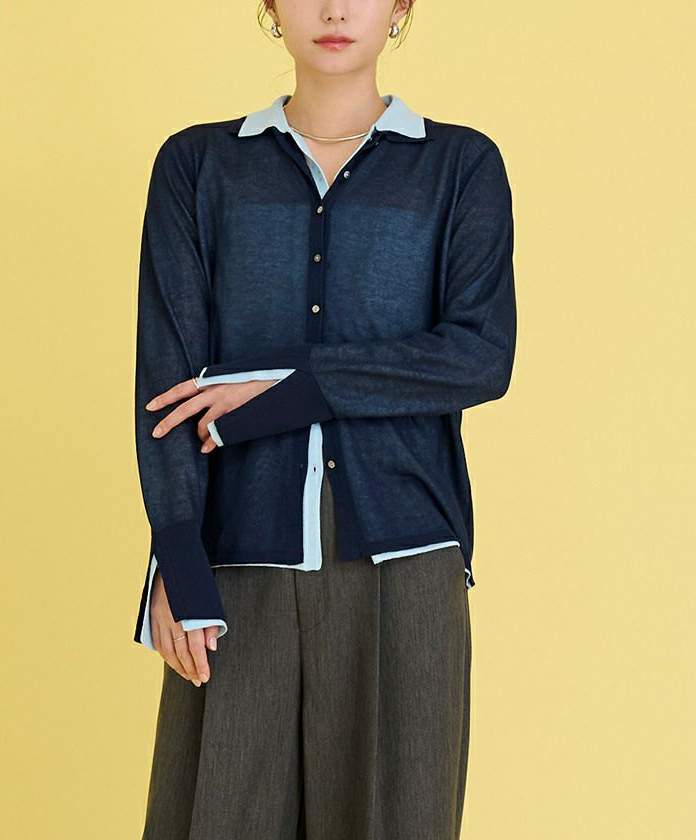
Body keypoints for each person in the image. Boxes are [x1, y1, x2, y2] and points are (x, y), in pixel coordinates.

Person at [133, 1, 516, 837]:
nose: (336, 9)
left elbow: (481, 357)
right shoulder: (198, 166)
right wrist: (177, 556)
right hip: (236, 558)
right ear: (271, 6)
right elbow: (166, 382)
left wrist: (293, 384)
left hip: (404, 561)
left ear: (401, 7)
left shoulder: (459, 167)